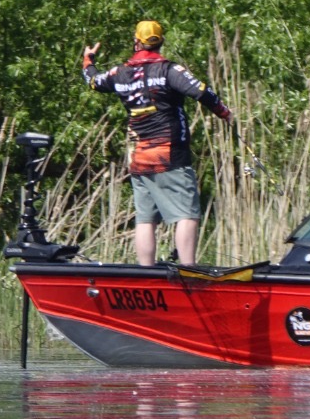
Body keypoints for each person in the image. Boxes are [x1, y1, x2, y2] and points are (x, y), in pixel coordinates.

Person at [82, 20, 235, 266]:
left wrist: (88, 59)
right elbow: (202, 92)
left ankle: (146, 273)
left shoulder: (119, 73)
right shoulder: (169, 70)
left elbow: (93, 81)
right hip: (169, 153)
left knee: (145, 219)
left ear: (136, 42)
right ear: (160, 41)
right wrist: (225, 113)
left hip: (139, 156)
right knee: (187, 214)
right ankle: (188, 270)